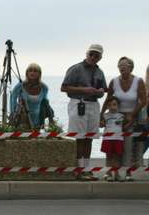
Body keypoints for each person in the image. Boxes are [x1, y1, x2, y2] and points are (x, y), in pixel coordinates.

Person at [60, 44, 107, 181]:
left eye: (96, 55)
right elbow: (63, 88)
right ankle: (78, 170)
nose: (93, 57)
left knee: (90, 138)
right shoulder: (76, 68)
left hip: (94, 105)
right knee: (80, 138)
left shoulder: (100, 72)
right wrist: (84, 90)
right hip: (79, 104)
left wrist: (100, 92)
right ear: (87, 54)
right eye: (91, 54)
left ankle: (86, 169)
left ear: (100, 57)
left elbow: (103, 89)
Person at [100, 56, 147, 180]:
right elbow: (108, 99)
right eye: (120, 66)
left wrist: (132, 114)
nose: (122, 68)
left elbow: (143, 101)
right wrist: (101, 115)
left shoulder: (138, 81)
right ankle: (110, 172)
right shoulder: (114, 81)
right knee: (112, 144)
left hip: (132, 117)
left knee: (128, 145)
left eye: (124, 66)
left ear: (131, 67)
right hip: (115, 117)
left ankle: (127, 173)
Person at [9, 63, 53, 130]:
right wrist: (13, 113)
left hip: (38, 118)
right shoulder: (20, 86)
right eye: (30, 71)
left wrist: (50, 117)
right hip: (22, 118)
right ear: (27, 73)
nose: (32, 73)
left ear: (39, 74)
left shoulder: (44, 87)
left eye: (35, 71)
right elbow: (12, 99)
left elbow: (45, 103)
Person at [100, 97, 125, 182]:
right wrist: (101, 123)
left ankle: (117, 174)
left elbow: (129, 122)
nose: (112, 107)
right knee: (109, 157)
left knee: (117, 157)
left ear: (118, 106)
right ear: (107, 106)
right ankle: (109, 173)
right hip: (107, 139)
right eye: (109, 105)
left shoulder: (121, 116)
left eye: (114, 104)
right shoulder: (105, 115)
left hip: (118, 139)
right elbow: (100, 125)